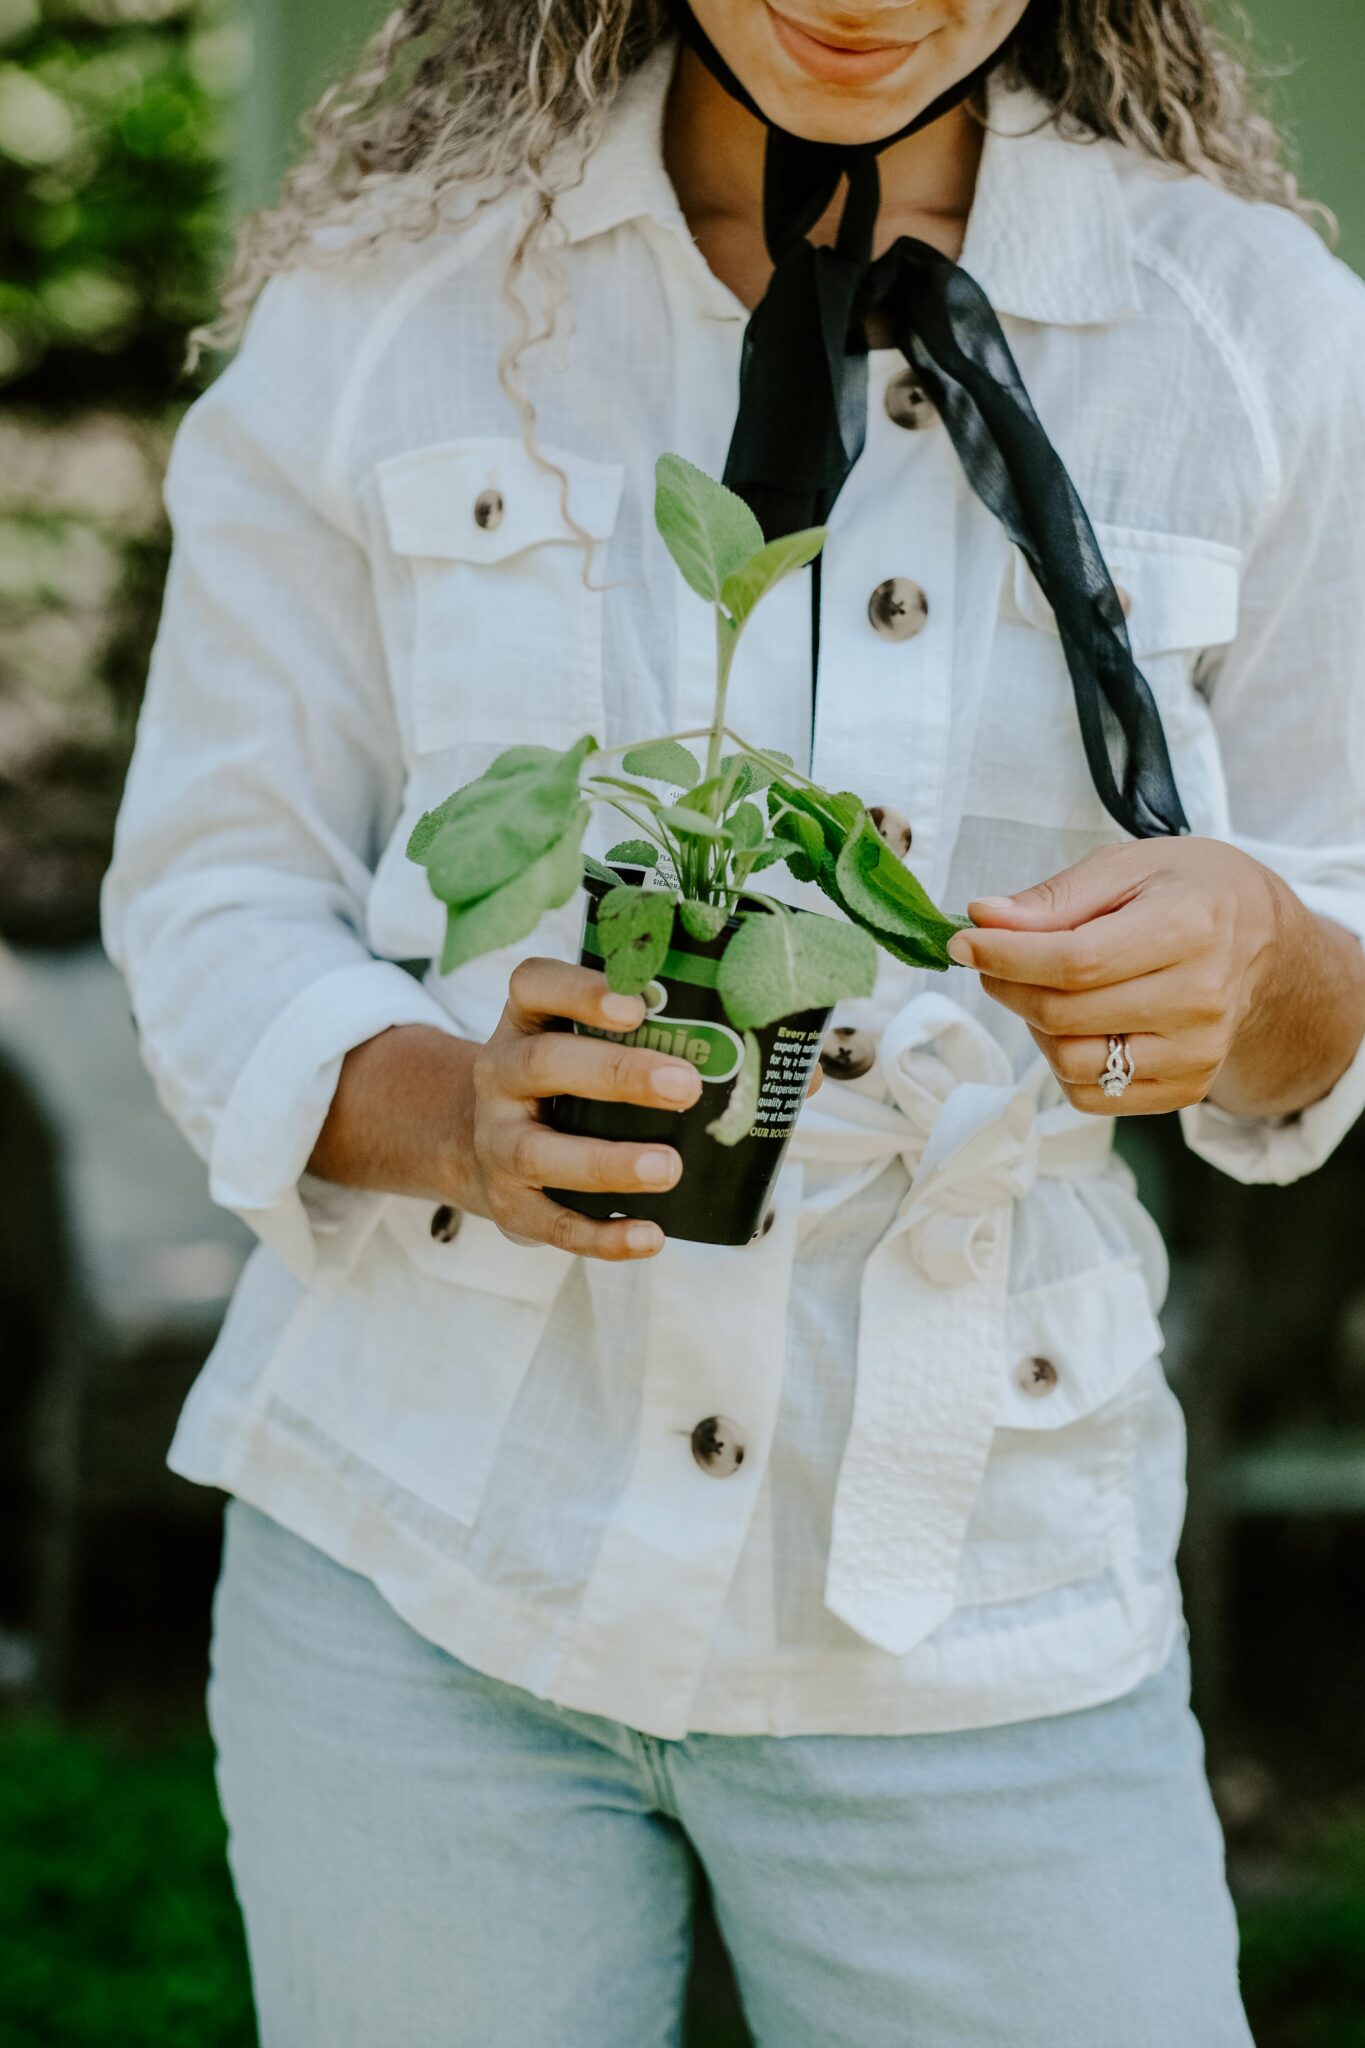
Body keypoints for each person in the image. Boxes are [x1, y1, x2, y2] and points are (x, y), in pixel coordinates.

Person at [102, 2, 1365, 2042]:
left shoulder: (1247, 331)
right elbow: (211, 885)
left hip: (973, 1598)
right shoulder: (397, 297)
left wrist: (1257, 957)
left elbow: (1338, 946)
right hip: (419, 1562)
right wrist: (453, 1116)